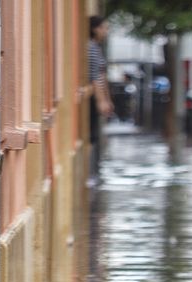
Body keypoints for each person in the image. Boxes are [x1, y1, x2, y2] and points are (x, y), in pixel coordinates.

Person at [88, 16, 114, 178]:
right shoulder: (90, 47)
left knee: (95, 135)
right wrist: (101, 100)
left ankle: (93, 173)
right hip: (92, 97)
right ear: (95, 29)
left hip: (97, 96)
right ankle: (90, 175)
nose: (106, 31)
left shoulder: (96, 47)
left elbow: (101, 76)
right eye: (104, 27)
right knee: (92, 135)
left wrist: (107, 99)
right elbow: (94, 77)